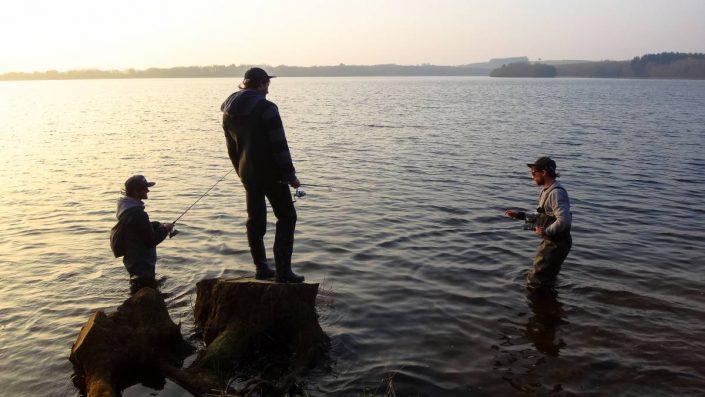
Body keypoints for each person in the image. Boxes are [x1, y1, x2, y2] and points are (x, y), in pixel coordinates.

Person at [220, 67, 304, 283]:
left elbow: (231, 147)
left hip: (247, 173)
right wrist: (291, 176)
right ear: (262, 84)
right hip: (272, 174)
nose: (268, 89)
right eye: (267, 84)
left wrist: (240, 171)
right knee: (287, 217)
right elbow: (279, 145)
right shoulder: (267, 108)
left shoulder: (229, 110)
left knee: (255, 221)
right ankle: (284, 272)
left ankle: (261, 268)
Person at [505, 157, 572, 290]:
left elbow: (564, 220)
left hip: (556, 243)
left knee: (536, 280)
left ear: (545, 172)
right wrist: (520, 215)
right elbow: (541, 215)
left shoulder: (556, 193)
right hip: (552, 241)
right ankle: (549, 305)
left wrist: (545, 231)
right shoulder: (546, 190)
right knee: (546, 278)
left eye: (534, 173)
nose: (532, 177)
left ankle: (538, 303)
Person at [115, 175, 174, 288]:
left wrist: (156, 225)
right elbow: (151, 241)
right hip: (142, 263)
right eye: (144, 188)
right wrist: (166, 229)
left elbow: (135, 229)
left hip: (133, 260)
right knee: (146, 289)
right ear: (136, 192)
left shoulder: (125, 209)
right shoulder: (138, 214)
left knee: (137, 287)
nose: (148, 190)